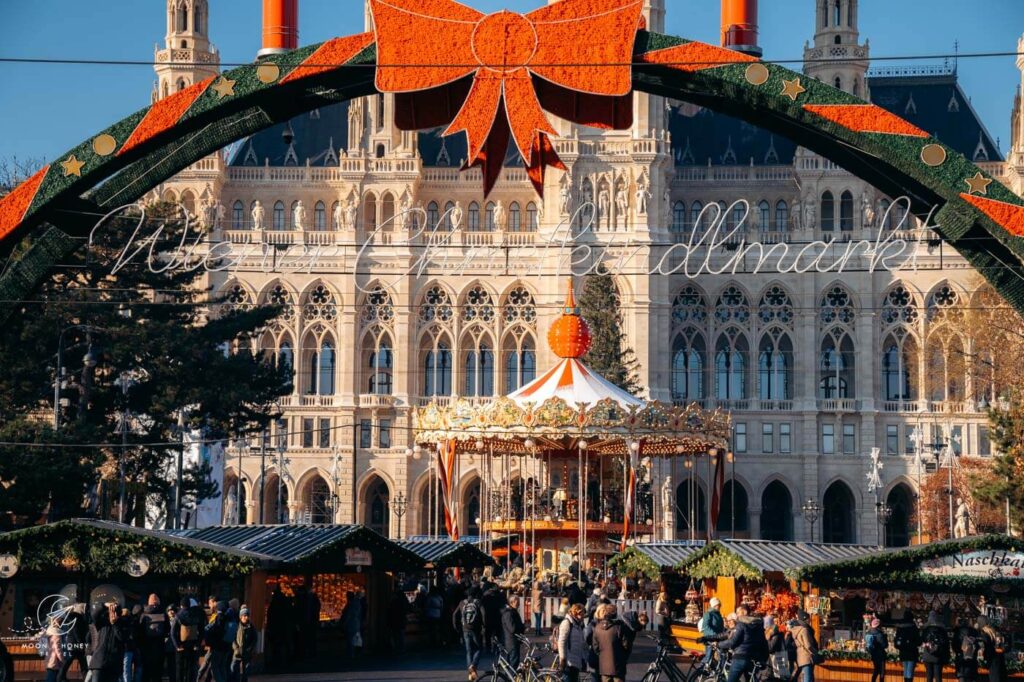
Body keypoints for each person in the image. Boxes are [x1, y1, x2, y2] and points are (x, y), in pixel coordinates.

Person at [716, 604, 768, 682]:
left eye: (738, 612)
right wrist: (763, 659)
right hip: (753, 659)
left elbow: (733, 641)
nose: (736, 615)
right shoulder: (758, 625)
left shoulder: (741, 624)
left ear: (745, 612)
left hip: (740, 657)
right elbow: (764, 644)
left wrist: (718, 644)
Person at [455, 586, 486, 682]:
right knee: (478, 648)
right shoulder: (478, 602)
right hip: (475, 629)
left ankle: (470, 673)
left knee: (469, 651)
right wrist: (484, 626)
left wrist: (457, 628)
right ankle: (473, 665)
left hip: (465, 629)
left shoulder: (462, 603)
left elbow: (454, 615)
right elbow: (484, 613)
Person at [592, 604, 629, 682]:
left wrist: (602, 655)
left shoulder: (597, 627)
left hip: (604, 665)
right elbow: (626, 645)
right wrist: (623, 657)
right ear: (614, 613)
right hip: (618, 664)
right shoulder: (619, 627)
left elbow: (595, 647)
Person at [90, 603, 125, 682]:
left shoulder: (123, 623)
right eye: (111, 611)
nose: (112, 614)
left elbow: (122, 637)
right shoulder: (102, 623)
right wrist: (104, 605)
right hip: (99, 662)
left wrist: (115, 624)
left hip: (113, 664)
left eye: (114, 611)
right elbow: (94, 615)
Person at [171, 599, 203, 682]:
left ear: (181, 605)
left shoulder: (178, 615)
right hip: (193, 644)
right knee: (191, 667)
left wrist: (177, 645)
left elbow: (172, 633)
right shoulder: (196, 615)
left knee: (180, 667)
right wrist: (197, 644)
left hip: (181, 645)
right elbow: (201, 631)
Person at [141, 594, 169, 682]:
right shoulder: (163, 613)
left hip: (146, 645)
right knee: (158, 671)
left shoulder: (144, 614)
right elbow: (168, 628)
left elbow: (140, 630)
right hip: (159, 644)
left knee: (147, 670)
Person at [557, 603, 588, 682]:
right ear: (575, 613)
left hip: (576, 660)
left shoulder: (578, 624)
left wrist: (585, 657)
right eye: (582, 614)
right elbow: (561, 642)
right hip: (568, 662)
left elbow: (582, 642)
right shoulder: (567, 623)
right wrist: (563, 659)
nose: (583, 617)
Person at [790, 610, 820, 682]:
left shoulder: (795, 629)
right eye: (808, 619)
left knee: (806, 677)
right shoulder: (804, 630)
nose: (809, 621)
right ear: (804, 619)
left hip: (800, 656)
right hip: (807, 656)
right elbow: (808, 645)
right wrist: (816, 653)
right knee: (808, 678)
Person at [921, 612, 950, 682]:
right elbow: (946, 643)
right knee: (938, 677)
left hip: (927, 655)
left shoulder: (926, 629)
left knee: (929, 676)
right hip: (938, 656)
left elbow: (921, 641)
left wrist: (926, 645)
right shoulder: (942, 630)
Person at [231, 606, 257, 682]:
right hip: (237, 652)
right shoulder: (236, 625)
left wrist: (250, 648)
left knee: (246, 671)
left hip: (247, 652)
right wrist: (236, 648)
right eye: (244, 616)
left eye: (247, 615)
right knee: (233, 669)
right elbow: (233, 638)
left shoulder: (251, 627)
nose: (246, 617)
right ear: (240, 617)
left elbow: (254, 639)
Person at [977, 616, 1006, 682]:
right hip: (1000, 659)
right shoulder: (994, 632)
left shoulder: (985, 635)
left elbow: (988, 650)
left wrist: (985, 656)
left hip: (993, 661)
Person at [700, 597, 726, 669]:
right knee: (708, 656)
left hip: (718, 638)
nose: (719, 606)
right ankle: (699, 671)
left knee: (722, 655)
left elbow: (720, 627)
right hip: (710, 638)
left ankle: (719, 672)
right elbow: (706, 626)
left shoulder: (718, 614)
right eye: (718, 605)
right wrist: (715, 636)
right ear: (714, 605)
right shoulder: (708, 614)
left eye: (719, 605)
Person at [501, 595, 526, 669]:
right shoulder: (509, 613)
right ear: (512, 602)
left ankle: (510, 678)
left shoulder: (512, 612)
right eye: (517, 602)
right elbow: (512, 628)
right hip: (511, 641)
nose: (518, 604)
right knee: (513, 663)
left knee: (512, 663)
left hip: (513, 641)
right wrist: (522, 627)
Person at [952, 617, 980, 682]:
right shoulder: (973, 632)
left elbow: (954, 646)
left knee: (962, 678)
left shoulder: (957, 632)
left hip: (961, 662)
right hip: (972, 661)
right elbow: (977, 646)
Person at [894, 617, 921, 682]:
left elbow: (896, 641)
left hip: (903, 652)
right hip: (912, 652)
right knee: (910, 671)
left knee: (906, 670)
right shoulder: (914, 628)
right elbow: (919, 642)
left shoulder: (900, 628)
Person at [340, 591, 363, 661]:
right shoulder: (357, 603)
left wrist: (344, 623)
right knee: (356, 640)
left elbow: (348, 615)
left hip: (351, 625)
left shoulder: (351, 604)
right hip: (356, 624)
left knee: (350, 641)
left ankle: (351, 655)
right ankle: (355, 654)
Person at [387, 590, 412, 654]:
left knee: (396, 634)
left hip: (395, 620)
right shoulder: (404, 601)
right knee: (401, 634)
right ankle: (401, 648)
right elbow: (408, 608)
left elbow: (390, 610)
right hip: (402, 619)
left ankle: (397, 647)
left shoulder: (394, 601)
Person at [865, 617, 890, 682]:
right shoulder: (879, 634)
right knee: (882, 672)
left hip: (873, 654)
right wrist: (885, 637)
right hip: (880, 655)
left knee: (876, 670)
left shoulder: (869, 632)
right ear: (879, 625)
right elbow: (885, 645)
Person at [44, 617, 65, 682]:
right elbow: (58, 648)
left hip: (49, 658)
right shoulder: (56, 633)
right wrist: (62, 659)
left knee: (51, 676)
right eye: (61, 622)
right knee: (51, 678)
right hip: (55, 660)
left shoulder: (49, 631)